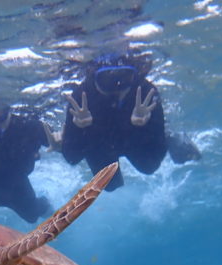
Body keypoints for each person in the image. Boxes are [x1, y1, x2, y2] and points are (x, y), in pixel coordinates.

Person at [61, 53, 201, 191]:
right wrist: (80, 129)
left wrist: (141, 127)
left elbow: (156, 154)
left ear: (133, 77)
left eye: (124, 79)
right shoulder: (80, 97)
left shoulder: (146, 92)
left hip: (132, 137)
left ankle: (170, 136)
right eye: (107, 81)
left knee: (149, 167)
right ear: (94, 79)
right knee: (109, 185)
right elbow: (71, 157)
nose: (116, 88)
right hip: (100, 141)